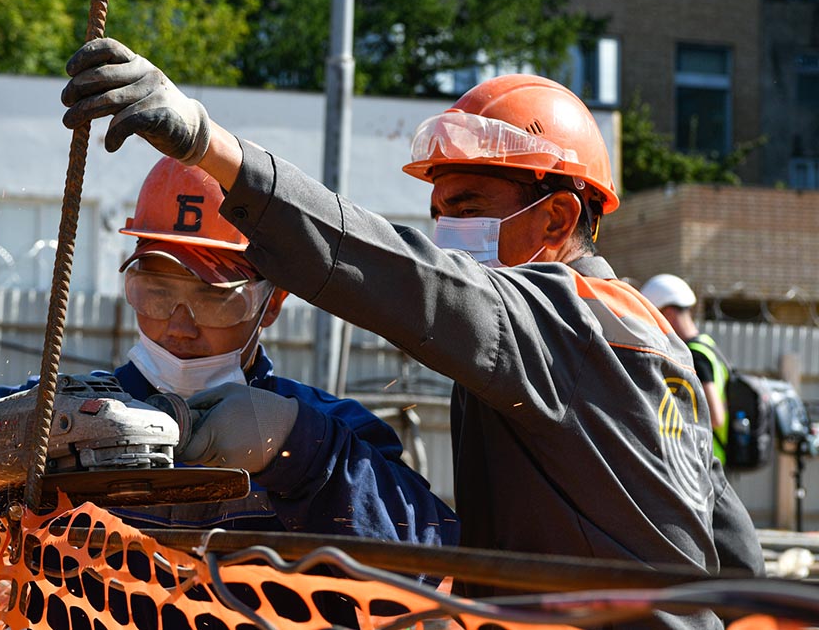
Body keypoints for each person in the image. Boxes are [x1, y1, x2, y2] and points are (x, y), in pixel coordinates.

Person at [60, 39, 763, 628]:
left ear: (556, 219)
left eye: (468, 206)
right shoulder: (651, 335)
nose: (448, 233)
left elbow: (405, 278)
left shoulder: (553, 317)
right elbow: (729, 546)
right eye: (439, 209)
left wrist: (209, 146)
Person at [0, 156, 458, 550]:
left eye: (214, 296)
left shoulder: (333, 437)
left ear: (270, 303)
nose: (180, 323)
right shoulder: (55, 422)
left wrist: (302, 453)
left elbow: (436, 553)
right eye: (157, 289)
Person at [641, 273, 730, 464]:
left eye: (654, 316)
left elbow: (715, 417)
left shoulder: (693, 355)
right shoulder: (708, 344)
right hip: (712, 460)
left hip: (702, 463)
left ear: (668, 314)